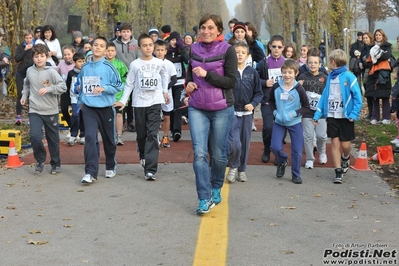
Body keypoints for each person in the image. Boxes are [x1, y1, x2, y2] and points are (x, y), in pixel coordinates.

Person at [185, 14, 237, 215]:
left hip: (222, 108)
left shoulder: (228, 50)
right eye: (202, 27)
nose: (205, 31)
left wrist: (208, 75)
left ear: (218, 31)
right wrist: (189, 84)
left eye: (210, 27)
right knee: (199, 153)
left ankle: (216, 186)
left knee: (218, 154)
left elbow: (231, 82)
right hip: (197, 106)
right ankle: (203, 198)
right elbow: (190, 74)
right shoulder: (193, 49)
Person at [114, 33, 170, 181]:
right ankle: (143, 153)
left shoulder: (160, 63)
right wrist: (124, 100)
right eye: (144, 45)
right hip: (139, 103)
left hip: (155, 102)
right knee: (141, 135)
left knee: (152, 134)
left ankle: (150, 169)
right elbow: (129, 84)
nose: (148, 48)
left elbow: (165, 76)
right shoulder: (135, 64)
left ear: (153, 46)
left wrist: (164, 91)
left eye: (150, 45)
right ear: (139, 48)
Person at [75, 36, 123, 184]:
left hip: (106, 108)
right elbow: (79, 85)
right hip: (89, 108)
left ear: (105, 50)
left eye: (101, 46)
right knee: (89, 137)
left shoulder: (109, 67)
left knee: (109, 139)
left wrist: (104, 88)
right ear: (91, 47)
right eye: (95, 45)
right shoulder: (85, 67)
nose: (98, 48)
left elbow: (119, 85)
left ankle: (110, 165)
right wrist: (80, 99)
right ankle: (90, 172)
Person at [313, 49, 362, 184]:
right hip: (332, 116)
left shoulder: (349, 76)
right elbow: (325, 96)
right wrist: (318, 114)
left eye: (329, 61)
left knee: (345, 145)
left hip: (346, 117)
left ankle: (345, 157)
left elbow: (358, 97)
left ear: (333, 62)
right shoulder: (330, 77)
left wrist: (354, 113)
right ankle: (338, 171)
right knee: (334, 142)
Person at [20, 43, 67, 174]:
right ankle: (40, 160)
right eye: (36, 56)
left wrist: (49, 89)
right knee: (35, 136)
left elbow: (63, 87)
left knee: (53, 139)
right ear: (33, 58)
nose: (39, 59)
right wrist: (24, 96)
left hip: (50, 110)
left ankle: (55, 163)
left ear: (46, 57)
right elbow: (26, 84)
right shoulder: (30, 71)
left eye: (42, 56)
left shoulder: (51, 72)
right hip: (34, 109)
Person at [226, 42, 263, 183]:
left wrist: (253, 104)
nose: (239, 55)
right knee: (234, 143)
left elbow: (259, 93)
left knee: (245, 143)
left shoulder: (252, 73)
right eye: (236, 52)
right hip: (232, 112)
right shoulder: (228, 71)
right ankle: (233, 167)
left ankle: (242, 170)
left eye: (242, 52)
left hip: (247, 115)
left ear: (247, 56)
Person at [269, 59, 310, 184]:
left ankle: (296, 174)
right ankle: (282, 161)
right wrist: (275, 112)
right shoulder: (276, 87)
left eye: (290, 72)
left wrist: (294, 113)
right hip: (279, 122)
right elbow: (270, 102)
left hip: (294, 122)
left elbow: (306, 107)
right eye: (285, 72)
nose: (287, 75)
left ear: (296, 73)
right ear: (281, 73)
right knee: (275, 147)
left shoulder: (299, 89)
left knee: (297, 150)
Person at [256, 34, 286, 163]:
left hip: (283, 102)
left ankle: (278, 151)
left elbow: (294, 78)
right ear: (269, 47)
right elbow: (255, 79)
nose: (276, 49)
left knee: (281, 127)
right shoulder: (263, 63)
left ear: (283, 48)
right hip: (267, 101)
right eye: (274, 46)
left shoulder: (287, 63)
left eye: (279, 47)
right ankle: (267, 149)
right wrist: (264, 83)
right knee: (268, 127)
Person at [297, 49, 328, 169]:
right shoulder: (303, 76)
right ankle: (310, 158)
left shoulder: (325, 78)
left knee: (321, 136)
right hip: (307, 111)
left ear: (320, 65)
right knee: (308, 136)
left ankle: (322, 152)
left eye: (315, 63)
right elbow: (297, 92)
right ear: (307, 64)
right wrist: (298, 86)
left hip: (320, 112)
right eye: (310, 62)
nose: (313, 65)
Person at [113, 22, 141, 133]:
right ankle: (121, 122)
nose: (125, 34)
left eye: (128, 31)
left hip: (133, 74)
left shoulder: (136, 43)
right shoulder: (114, 44)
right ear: (119, 32)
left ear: (131, 32)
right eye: (123, 32)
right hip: (120, 75)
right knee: (121, 98)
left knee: (132, 100)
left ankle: (130, 122)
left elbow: (139, 58)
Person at [364, 29, 392, 125]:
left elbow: (386, 55)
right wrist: (377, 57)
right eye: (376, 35)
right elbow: (368, 60)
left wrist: (376, 57)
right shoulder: (372, 47)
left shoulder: (387, 46)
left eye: (379, 35)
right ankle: (375, 117)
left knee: (384, 97)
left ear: (383, 36)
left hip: (383, 75)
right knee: (374, 97)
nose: (378, 36)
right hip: (373, 74)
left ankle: (386, 117)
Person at [166, 31, 189, 142]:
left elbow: (187, 60)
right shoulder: (166, 53)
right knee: (169, 107)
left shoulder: (182, 52)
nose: (174, 42)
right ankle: (171, 128)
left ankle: (176, 131)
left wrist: (182, 47)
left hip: (179, 83)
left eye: (177, 40)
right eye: (172, 40)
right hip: (168, 83)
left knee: (177, 106)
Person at [154, 40, 177, 148]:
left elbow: (174, 79)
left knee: (167, 117)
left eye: (162, 50)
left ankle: (166, 137)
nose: (159, 52)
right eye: (157, 50)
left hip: (167, 95)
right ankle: (155, 137)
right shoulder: (152, 63)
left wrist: (165, 89)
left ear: (165, 51)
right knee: (155, 117)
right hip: (153, 95)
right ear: (154, 51)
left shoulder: (169, 64)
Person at [105, 42, 129, 146]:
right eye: (108, 51)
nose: (110, 53)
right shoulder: (102, 64)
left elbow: (126, 80)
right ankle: (110, 135)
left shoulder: (121, 64)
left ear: (115, 52)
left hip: (118, 95)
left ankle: (119, 136)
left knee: (119, 114)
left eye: (112, 51)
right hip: (105, 95)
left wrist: (125, 96)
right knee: (108, 116)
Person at [15, 30, 36, 125]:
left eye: (30, 38)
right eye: (27, 38)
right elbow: (17, 58)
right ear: (24, 38)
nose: (28, 40)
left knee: (31, 95)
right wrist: (25, 50)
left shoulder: (35, 47)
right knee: (20, 94)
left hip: (31, 73)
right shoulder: (20, 47)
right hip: (21, 73)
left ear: (33, 38)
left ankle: (31, 116)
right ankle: (19, 116)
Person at [66, 52, 86, 146]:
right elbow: (68, 85)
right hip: (74, 98)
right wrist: (68, 101)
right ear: (74, 62)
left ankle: (83, 134)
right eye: (79, 61)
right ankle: (73, 134)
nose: (81, 63)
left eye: (83, 61)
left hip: (84, 98)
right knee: (75, 115)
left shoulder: (86, 72)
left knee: (83, 116)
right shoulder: (71, 73)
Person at [57, 45, 76, 131]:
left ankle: (77, 127)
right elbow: (57, 73)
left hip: (75, 91)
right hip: (64, 89)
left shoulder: (77, 63)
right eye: (65, 55)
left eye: (69, 54)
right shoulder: (61, 63)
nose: (67, 56)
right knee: (64, 109)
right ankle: (71, 125)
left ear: (73, 53)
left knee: (76, 112)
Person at [358, 32, 374, 119]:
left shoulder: (373, 48)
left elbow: (371, 61)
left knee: (371, 92)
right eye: (364, 38)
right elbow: (360, 59)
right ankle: (370, 111)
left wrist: (364, 63)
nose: (365, 39)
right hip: (364, 72)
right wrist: (359, 62)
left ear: (370, 38)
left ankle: (374, 112)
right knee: (367, 93)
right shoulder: (363, 48)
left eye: (366, 38)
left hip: (371, 72)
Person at [390, 67, 399, 146]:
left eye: (394, 73)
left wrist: (393, 95)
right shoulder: (396, 84)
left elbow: (396, 92)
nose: (393, 74)